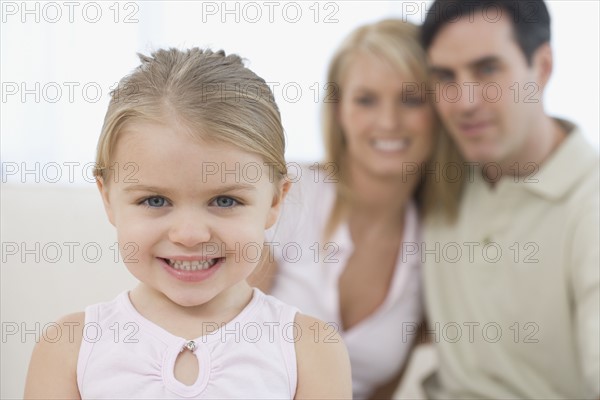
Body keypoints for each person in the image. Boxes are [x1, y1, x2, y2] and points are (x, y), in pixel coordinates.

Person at [23, 48, 351, 399]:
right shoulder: (69, 349)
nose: (190, 235)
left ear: (274, 200)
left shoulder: (309, 349)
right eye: (155, 201)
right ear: (108, 198)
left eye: (225, 201)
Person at [250, 19, 461, 399]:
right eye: (366, 100)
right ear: (338, 112)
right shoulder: (288, 195)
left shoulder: (438, 244)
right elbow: (216, 340)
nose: (388, 121)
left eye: (411, 99)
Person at [419, 1, 600, 399]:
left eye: (488, 70)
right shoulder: (435, 179)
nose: (464, 102)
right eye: (446, 77)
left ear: (542, 67)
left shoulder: (590, 203)